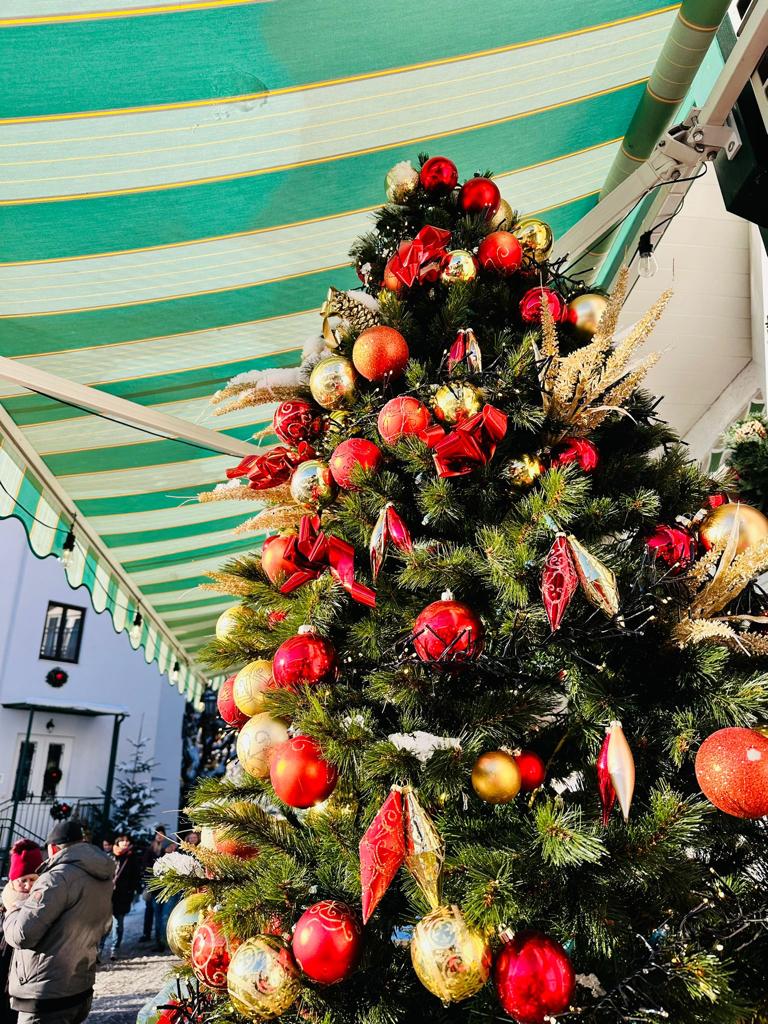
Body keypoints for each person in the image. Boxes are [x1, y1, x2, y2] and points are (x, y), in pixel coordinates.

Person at [2, 820, 113, 1024]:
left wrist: (12, 910)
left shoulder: (56, 878)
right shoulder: (101, 874)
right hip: (79, 987)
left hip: (45, 995)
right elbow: (105, 926)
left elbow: (22, 935)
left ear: (53, 848)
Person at [0, 841, 44, 1024]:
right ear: (13, 881)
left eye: (32, 880)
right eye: (22, 880)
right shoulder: (5, 902)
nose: (27, 885)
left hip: (26, 974)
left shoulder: (44, 904)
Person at [103, 835, 140, 960]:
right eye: (122, 840)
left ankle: (115, 949)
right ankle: (99, 950)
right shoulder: (109, 856)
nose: (125, 842)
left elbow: (136, 877)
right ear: (117, 843)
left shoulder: (131, 858)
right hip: (107, 894)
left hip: (123, 895)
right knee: (104, 924)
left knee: (118, 924)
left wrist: (131, 891)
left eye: (127, 841)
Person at [138, 827, 167, 945]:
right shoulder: (150, 849)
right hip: (151, 884)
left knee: (159, 912)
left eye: (161, 834)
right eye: (157, 834)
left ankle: (159, 937)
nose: (159, 836)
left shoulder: (167, 848)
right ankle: (147, 933)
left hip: (162, 885)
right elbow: (145, 865)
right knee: (149, 910)